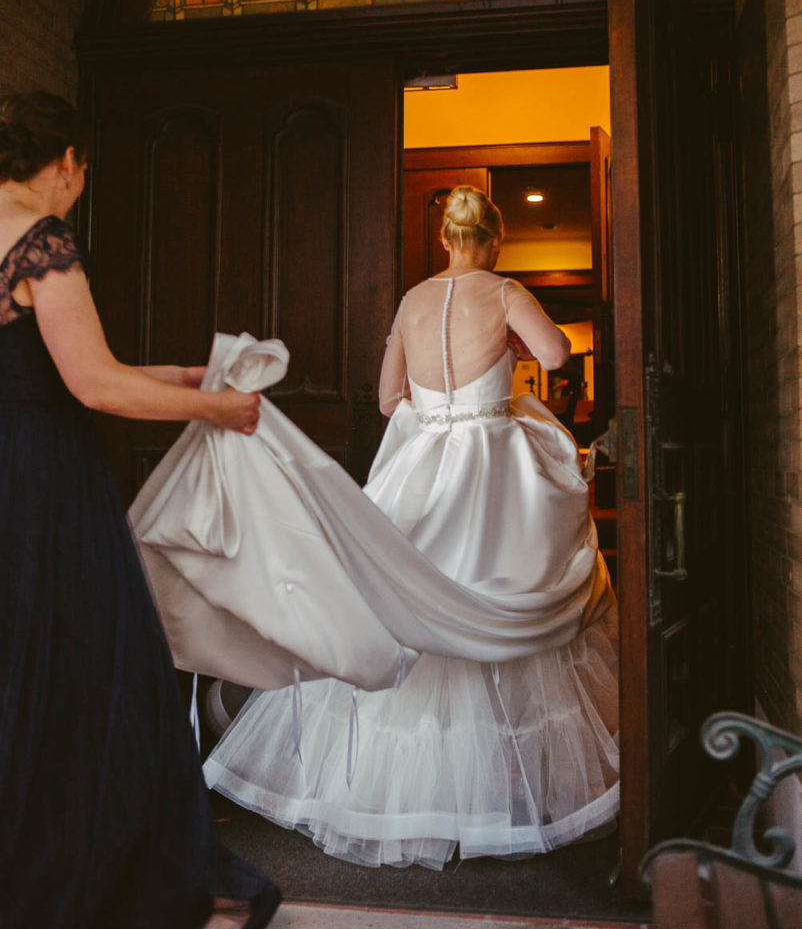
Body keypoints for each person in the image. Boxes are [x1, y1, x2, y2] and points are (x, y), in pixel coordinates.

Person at [203, 185, 619, 870]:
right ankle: (498, 793)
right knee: (493, 604)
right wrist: (512, 349)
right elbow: (556, 358)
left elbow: (387, 398)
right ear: (494, 238)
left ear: (445, 240)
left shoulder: (411, 301)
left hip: (422, 465)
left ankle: (390, 798)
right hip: (491, 467)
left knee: (402, 613)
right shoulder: (506, 288)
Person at [0, 92, 280, 928]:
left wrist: (184, 379)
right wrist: (218, 411)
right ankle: (89, 865)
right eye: (81, 172)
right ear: (67, 163)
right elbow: (92, 387)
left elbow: (58, 367)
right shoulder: (40, 241)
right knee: (98, 667)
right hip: (45, 485)